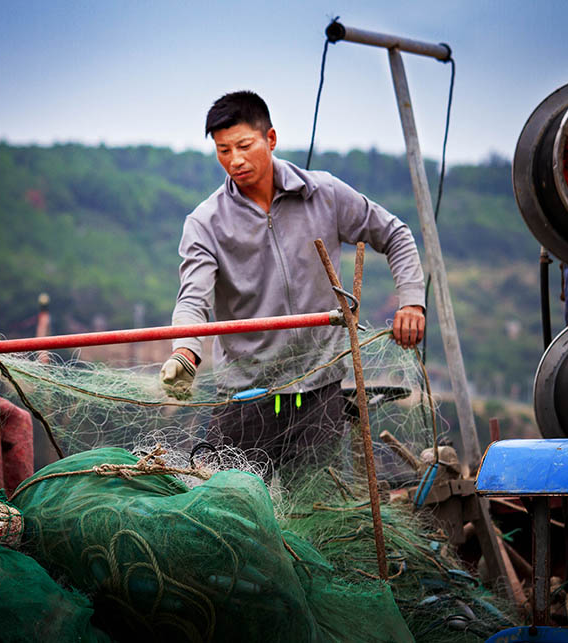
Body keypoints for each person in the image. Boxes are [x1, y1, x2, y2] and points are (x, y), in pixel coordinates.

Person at [160, 90, 426, 469]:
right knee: (237, 514)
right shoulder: (206, 223)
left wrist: (412, 300)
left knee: (320, 513)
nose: (234, 160)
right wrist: (186, 350)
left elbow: (395, 234)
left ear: (270, 139)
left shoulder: (324, 194)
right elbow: (193, 297)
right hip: (246, 399)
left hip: (320, 394)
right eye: (223, 151)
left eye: (243, 145)